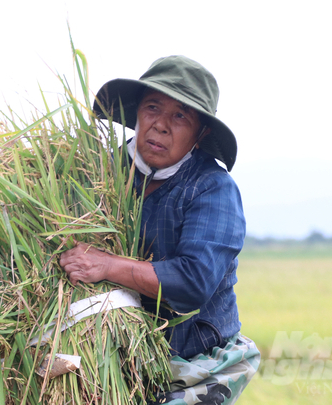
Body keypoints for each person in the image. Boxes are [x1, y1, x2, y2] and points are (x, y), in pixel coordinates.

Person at [59, 56, 260, 405]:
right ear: (137, 111)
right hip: (109, 357)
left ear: (202, 133)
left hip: (191, 363)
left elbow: (194, 280)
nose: (161, 125)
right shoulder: (102, 173)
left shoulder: (212, 189)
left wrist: (108, 266)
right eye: (153, 107)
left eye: (181, 116)